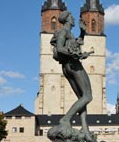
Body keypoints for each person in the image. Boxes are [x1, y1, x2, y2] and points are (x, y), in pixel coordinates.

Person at [49, 10, 95, 142]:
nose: (74, 18)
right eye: (72, 17)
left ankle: (85, 129)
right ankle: (66, 119)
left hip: (67, 67)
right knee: (88, 96)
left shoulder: (69, 33)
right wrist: (76, 55)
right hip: (73, 65)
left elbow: (76, 43)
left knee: (82, 98)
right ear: (67, 19)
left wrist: (82, 33)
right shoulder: (64, 32)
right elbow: (59, 48)